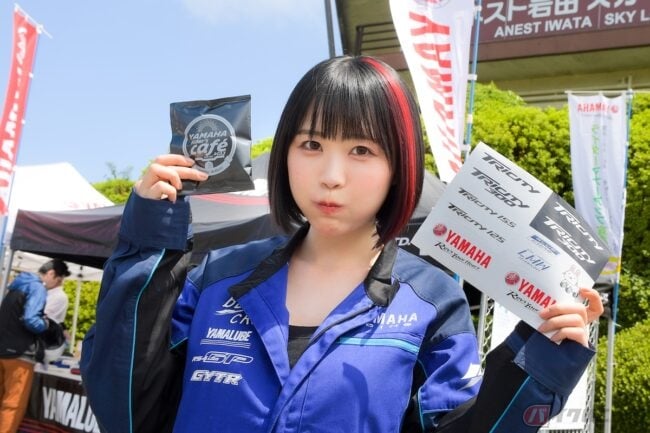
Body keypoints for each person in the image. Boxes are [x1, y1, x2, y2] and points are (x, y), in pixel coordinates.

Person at [80, 55, 603, 433]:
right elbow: (126, 403)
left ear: (399, 166)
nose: (331, 176)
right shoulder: (217, 276)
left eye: (361, 150)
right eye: (311, 144)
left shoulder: (431, 299)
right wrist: (148, 241)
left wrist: (538, 364)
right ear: (285, 154)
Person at [0, 259, 69, 433]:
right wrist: (46, 324)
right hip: (20, 354)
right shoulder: (37, 287)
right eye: (59, 280)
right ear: (51, 273)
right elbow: (31, 320)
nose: (58, 284)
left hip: (2, 349)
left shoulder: (16, 286)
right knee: (13, 404)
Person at [42, 259, 71, 324]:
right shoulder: (44, 291)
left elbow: (41, 319)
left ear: (60, 278)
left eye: (50, 274)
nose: (44, 277)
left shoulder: (59, 297)